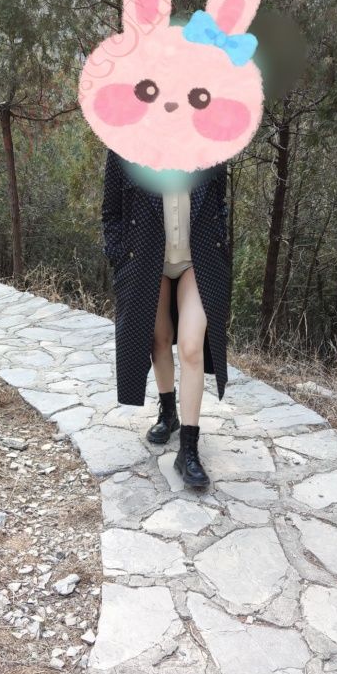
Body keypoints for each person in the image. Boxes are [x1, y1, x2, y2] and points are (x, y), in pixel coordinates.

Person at [101, 148, 232, 488]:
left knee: (191, 347)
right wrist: (119, 255)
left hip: (197, 261)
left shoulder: (209, 142)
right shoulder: (124, 145)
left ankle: (189, 450)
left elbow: (219, 202)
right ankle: (168, 412)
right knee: (159, 340)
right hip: (146, 261)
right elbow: (111, 212)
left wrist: (221, 241)